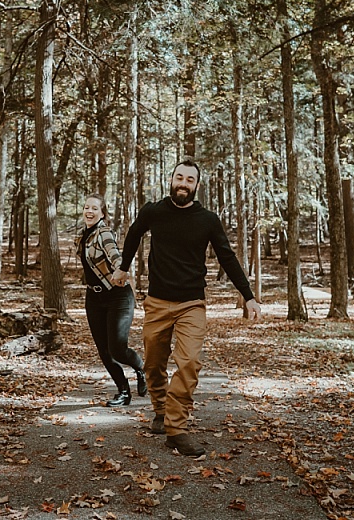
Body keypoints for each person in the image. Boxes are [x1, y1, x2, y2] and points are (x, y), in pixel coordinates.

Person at [114, 160, 261, 457]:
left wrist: (248, 296)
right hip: (157, 302)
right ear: (171, 180)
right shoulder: (153, 211)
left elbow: (227, 257)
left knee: (189, 362)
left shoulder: (207, 219)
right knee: (154, 364)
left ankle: (176, 428)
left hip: (192, 303)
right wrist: (123, 267)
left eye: (189, 179)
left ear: (196, 185)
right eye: (179, 177)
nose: (183, 183)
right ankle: (160, 410)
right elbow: (133, 234)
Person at [78, 194, 144, 406]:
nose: (89, 211)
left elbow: (116, 256)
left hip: (118, 296)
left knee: (117, 348)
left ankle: (141, 368)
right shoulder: (83, 235)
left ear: (102, 213)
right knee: (104, 351)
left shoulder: (104, 233)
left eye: (94, 208)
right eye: (87, 207)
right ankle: (123, 391)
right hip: (94, 298)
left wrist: (120, 270)